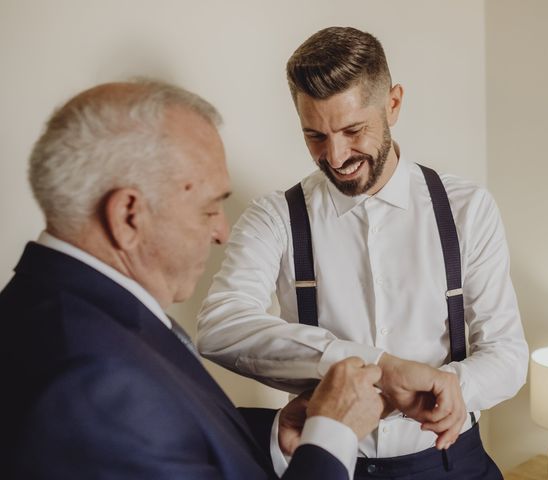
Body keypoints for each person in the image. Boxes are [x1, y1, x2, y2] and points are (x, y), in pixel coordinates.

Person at [0, 80, 386, 479]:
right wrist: (332, 437)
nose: (221, 230)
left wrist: (274, 433)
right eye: (209, 208)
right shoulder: (92, 381)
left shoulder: (70, 309)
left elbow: (164, 436)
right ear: (128, 216)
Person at [197, 26, 529, 479]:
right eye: (314, 135)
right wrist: (372, 367)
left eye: (353, 130)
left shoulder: (466, 208)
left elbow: (508, 353)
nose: (334, 156)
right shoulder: (274, 216)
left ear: (392, 104)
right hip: (332, 466)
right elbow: (219, 327)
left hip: (452, 463)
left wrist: (455, 386)